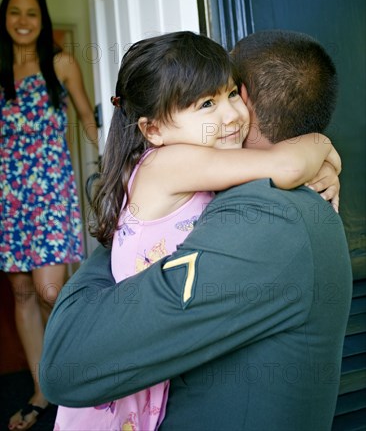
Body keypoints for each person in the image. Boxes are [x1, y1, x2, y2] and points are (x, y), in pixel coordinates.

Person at [40, 30, 351, 431]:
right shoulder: (191, 171)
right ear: (152, 128)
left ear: (246, 98)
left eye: (229, 95)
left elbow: (67, 362)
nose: (226, 114)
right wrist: (321, 146)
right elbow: (66, 366)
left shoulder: (267, 216)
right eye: (206, 101)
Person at [0, 0, 98, 430]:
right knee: (22, 294)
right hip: (9, 197)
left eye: (32, 13)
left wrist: (124, 164)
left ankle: (74, 379)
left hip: (52, 194)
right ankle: (42, 392)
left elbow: (85, 118)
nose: (23, 21)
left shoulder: (60, 63)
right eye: (15, 12)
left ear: (42, 20)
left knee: (49, 293)